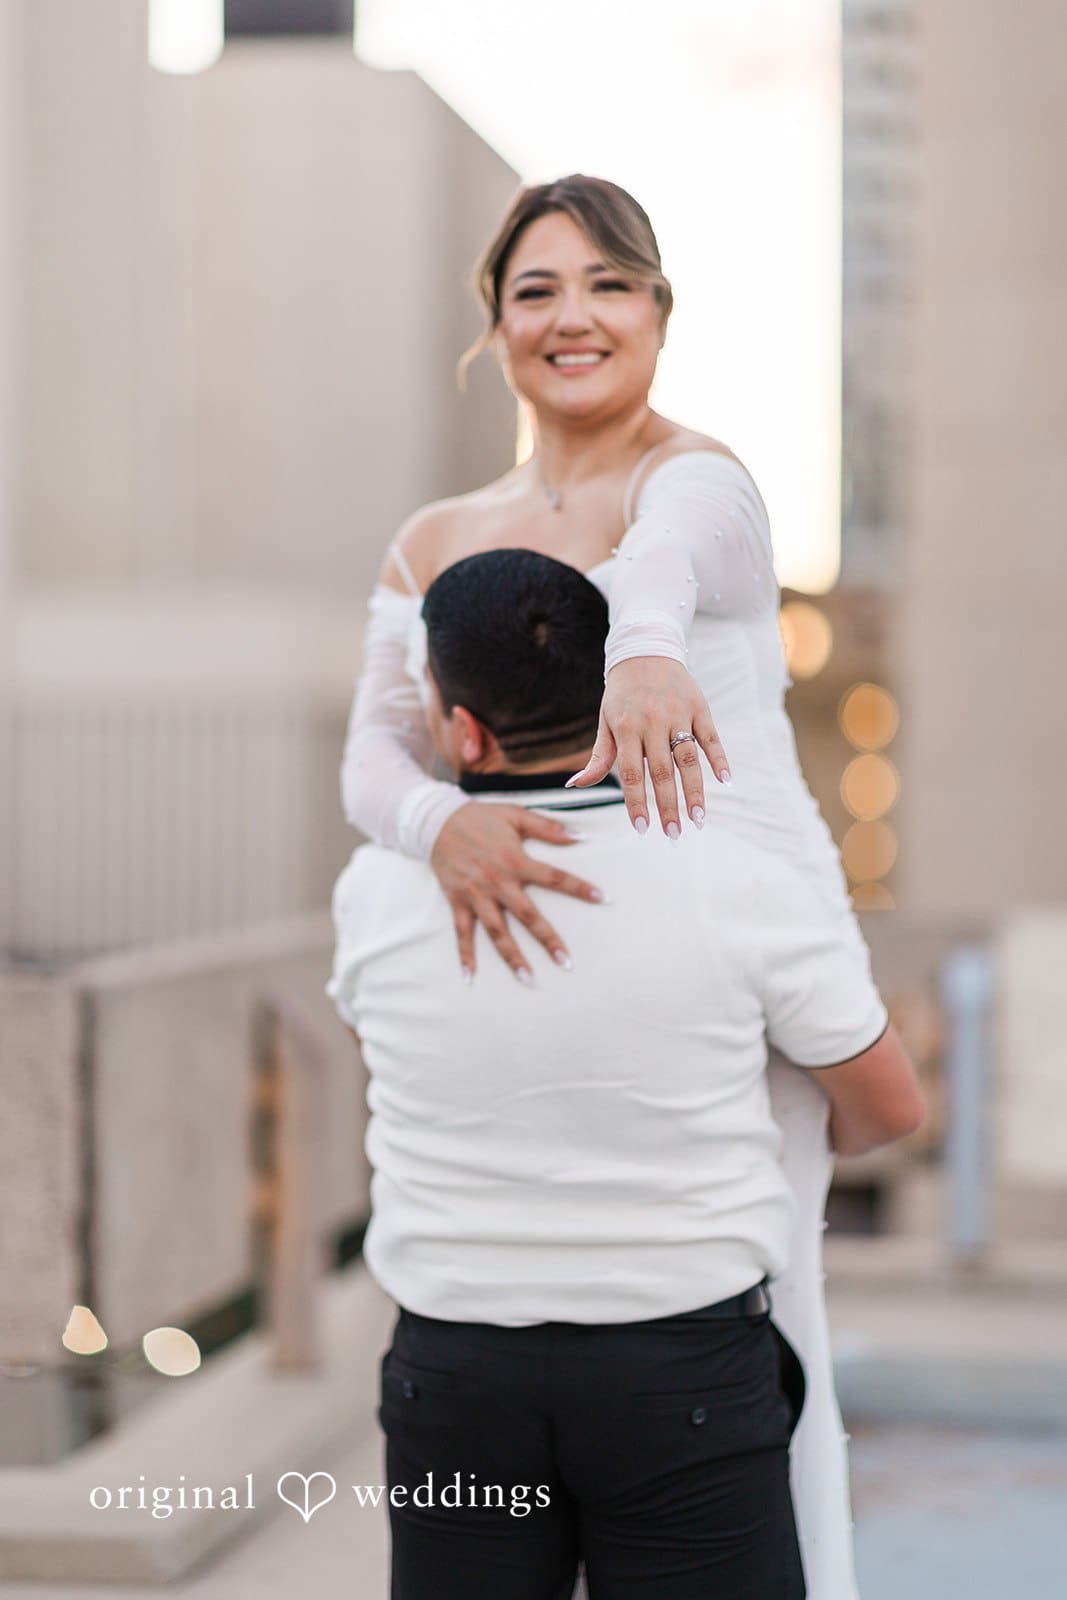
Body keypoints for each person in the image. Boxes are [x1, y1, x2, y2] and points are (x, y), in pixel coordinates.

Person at [339, 173, 885, 1595]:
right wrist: (429, 830)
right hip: (521, 929)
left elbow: (662, 555)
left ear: (655, 311)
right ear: (495, 326)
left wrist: (643, 646)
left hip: (734, 931)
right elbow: (373, 758)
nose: (570, 315)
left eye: (605, 284)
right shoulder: (431, 537)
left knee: (751, 1302)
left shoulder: (697, 478)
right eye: (535, 290)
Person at [328, 548, 924, 1600]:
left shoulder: (374, 892)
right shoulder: (734, 874)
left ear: (462, 728)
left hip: (455, 1371)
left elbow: (400, 1065)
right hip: (680, 1371)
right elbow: (885, 1109)